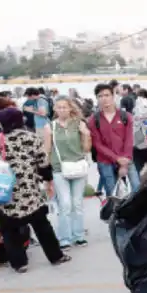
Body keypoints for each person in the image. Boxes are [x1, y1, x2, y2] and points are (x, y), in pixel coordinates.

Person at [0, 108, 71, 272]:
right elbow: (43, 163)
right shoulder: (31, 137)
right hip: (29, 192)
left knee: (10, 230)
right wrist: (48, 181)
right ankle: (56, 256)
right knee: (42, 226)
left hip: (4, 193)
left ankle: (19, 264)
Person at [45, 96, 92, 249]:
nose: (62, 110)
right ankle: (64, 237)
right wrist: (46, 174)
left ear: (70, 108)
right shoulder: (50, 127)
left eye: (64, 107)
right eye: (59, 107)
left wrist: (85, 133)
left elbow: (86, 149)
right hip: (59, 168)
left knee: (77, 203)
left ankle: (78, 235)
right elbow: (47, 150)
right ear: (54, 109)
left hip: (78, 166)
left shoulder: (79, 124)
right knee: (65, 204)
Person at [88, 83, 140, 195]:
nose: (104, 99)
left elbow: (129, 140)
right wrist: (116, 159)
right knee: (112, 194)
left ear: (113, 96)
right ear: (97, 98)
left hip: (126, 158)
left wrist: (124, 162)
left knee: (137, 189)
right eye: (100, 96)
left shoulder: (125, 116)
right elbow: (97, 144)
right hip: (105, 161)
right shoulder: (94, 119)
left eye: (107, 95)